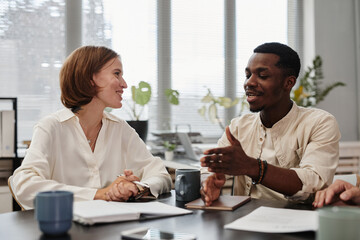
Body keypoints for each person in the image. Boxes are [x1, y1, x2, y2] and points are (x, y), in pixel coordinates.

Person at [12, 46, 172, 209]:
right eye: (117, 74)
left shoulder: (120, 129)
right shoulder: (52, 127)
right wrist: (101, 194)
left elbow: (161, 175)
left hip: (113, 229)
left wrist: (136, 188)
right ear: (90, 78)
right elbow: (24, 185)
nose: (124, 84)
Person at [200, 42, 340, 206]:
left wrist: (252, 167)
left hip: (296, 224)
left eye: (263, 76)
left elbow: (314, 183)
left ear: (288, 83)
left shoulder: (320, 123)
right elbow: (208, 171)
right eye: (248, 75)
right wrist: (208, 182)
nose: (249, 83)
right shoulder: (238, 126)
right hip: (242, 224)